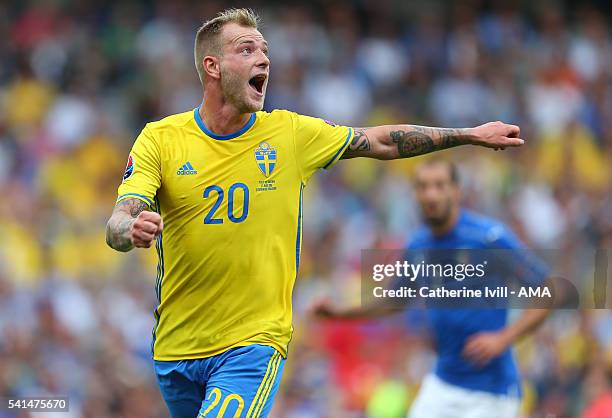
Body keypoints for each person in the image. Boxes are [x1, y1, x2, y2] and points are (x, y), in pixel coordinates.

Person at [105, 8, 525, 418]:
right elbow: (119, 220)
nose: (264, 58)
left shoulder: (289, 133)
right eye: (247, 49)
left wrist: (467, 135)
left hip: (252, 344)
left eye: (265, 50)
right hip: (176, 349)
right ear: (213, 66)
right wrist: (131, 228)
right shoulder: (160, 139)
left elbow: (380, 141)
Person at [315, 159, 551, 418]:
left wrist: (503, 338)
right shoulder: (418, 245)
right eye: (423, 187)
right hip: (443, 382)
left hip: (491, 390)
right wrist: (338, 312)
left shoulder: (488, 238)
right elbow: (395, 300)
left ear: (457, 191)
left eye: (439, 186)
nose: (431, 194)